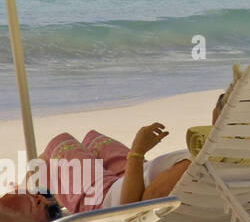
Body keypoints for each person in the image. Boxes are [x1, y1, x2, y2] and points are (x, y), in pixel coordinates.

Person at [34, 90, 230, 215]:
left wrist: (137, 151)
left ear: (215, 116)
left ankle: (33, 205)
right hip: (131, 179)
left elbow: (133, 211)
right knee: (95, 142)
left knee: (58, 146)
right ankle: (55, 192)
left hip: (106, 202)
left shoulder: (195, 165)